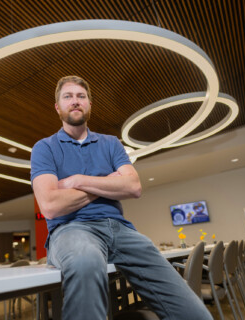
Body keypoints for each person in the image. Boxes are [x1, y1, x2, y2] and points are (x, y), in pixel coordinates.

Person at [30, 75, 212, 320]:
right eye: (68, 97)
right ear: (58, 107)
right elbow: (51, 205)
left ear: (89, 104)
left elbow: (134, 187)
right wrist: (109, 182)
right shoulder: (45, 148)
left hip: (121, 231)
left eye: (81, 96)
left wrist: (77, 181)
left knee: (196, 315)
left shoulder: (111, 144)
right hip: (71, 230)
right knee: (85, 261)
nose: (75, 101)